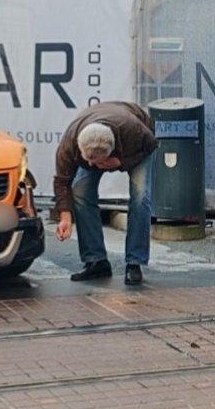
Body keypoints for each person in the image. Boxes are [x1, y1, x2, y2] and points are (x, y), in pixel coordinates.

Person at [53, 101, 157, 285]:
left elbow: (151, 146)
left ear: (111, 153)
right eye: (88, 161)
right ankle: (96, 261)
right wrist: (65, 216)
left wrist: (122, 162)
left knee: (141, 198)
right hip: (96, 130)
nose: (92, 166)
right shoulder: (70, 143)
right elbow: (62, 180)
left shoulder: (135, 133)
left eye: (98, 162)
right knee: (80, 191)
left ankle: (134, 262)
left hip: (135, 147)